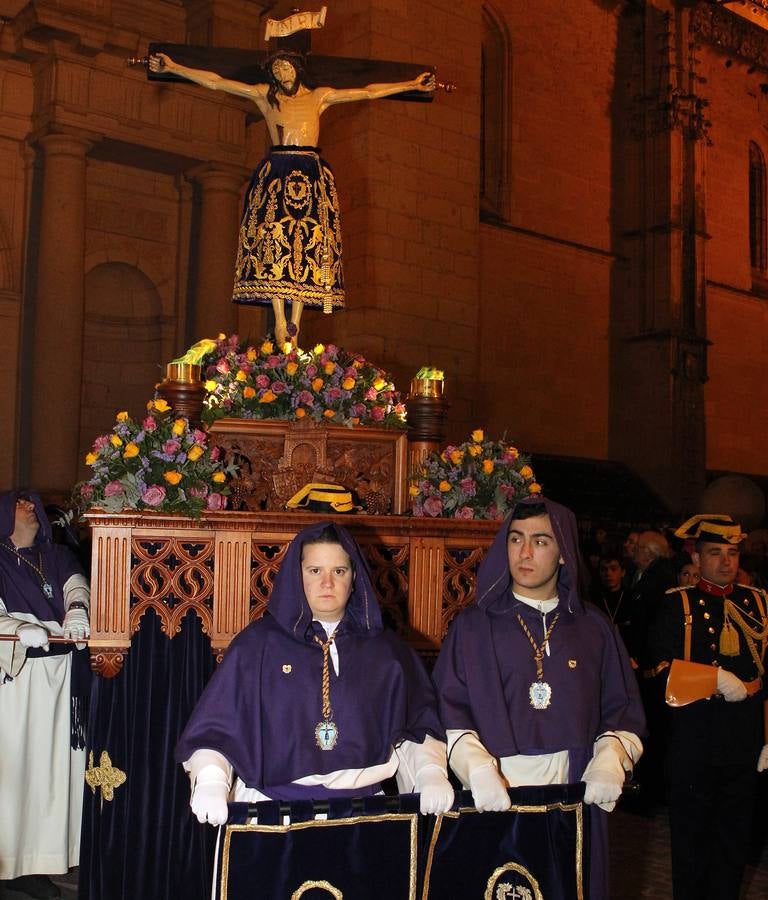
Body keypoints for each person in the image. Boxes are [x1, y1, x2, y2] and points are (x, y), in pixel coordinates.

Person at [432, 496, 645, 900]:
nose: (525, 553)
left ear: (564, 551)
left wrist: (610, 757)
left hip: (574, 793)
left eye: (541, 541)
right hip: (493, 794)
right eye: (516, 539)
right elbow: (448, 705)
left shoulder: (594, 628)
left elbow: (622, 708)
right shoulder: (474, 628)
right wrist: (475, 767)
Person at [148, 50, 435, 347]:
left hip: (311, 171)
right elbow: (217, 83)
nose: (282, 74)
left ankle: (294, 323)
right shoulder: (265, 96)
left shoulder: (319, 97)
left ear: (297, 69)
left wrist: (411, 85)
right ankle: (280, 321)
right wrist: (175, 67)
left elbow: (366, 92)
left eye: (286, 68)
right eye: (277, 70)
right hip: (279, 170)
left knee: (309, 241)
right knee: (275, 237)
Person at [175, 521, 454, 827]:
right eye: (315, 571)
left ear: (354, 577)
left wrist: (430, 771)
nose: (327, 583)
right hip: (272, 816)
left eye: (339, 571)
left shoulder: (387, 652)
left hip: (365, 818)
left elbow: (418, 725)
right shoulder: (256, 646)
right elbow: (217, 729)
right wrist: (212, 780)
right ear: (297, 577)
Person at [648, 514, 768, 900]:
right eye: (715, 553)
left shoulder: (759, 605)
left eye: (732, 553)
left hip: (743, 745)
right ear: (697, 559)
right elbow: (658, 674)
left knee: (734, 850)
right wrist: (712, 680)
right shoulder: (677, 604)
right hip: (695, 746)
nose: (726, 562)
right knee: (691, 849)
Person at [0, 492, 91, 900]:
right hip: (15, 676)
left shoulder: (55, 554)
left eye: (33, 502)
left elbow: (76, 586)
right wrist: (14, 627)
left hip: (59, 675)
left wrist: (76, 611)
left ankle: (35, 860)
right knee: (14, 773)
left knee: (49, 774)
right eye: (20, 502)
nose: (30, 507)